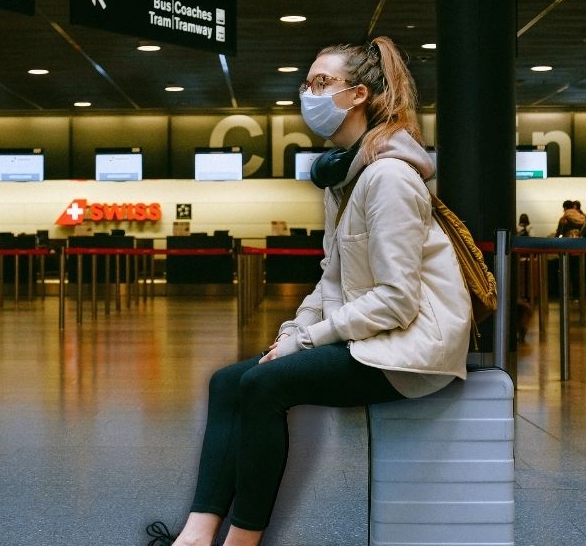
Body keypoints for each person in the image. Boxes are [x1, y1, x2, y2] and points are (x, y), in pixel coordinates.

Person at [147, 37, 472, 546]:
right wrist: (292, 333)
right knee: (228, 381)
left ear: (358, 94)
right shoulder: (344, 179)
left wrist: (306, 342)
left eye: (322, 83)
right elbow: (332, 279)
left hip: (411, 350)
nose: (308, 94)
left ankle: (243, 540)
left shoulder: (389, 178)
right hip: (371, 339)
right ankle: (196, 534)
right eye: (307, 84)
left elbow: (397, 300)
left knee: (263, 386)